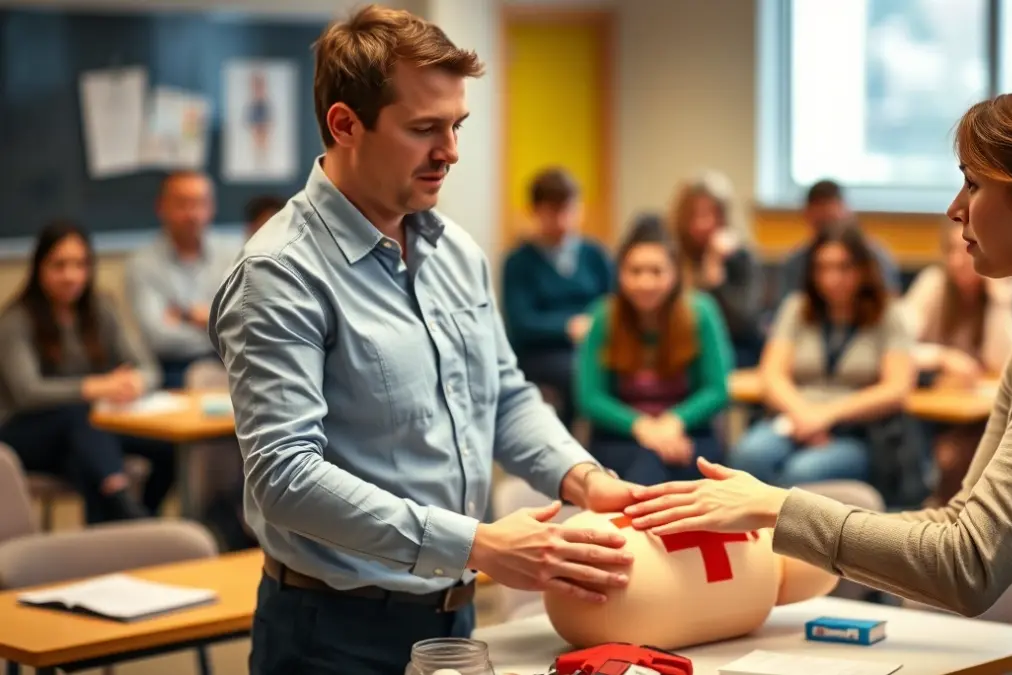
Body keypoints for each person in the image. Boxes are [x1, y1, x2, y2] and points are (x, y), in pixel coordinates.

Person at [623, 82, 1012, 674]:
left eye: (973, 185)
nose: (955, 209)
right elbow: (958, 522)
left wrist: (776, 508)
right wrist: (774, 530)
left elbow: (967, 567)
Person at [207, 7, 639, 673]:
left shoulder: (454, 249)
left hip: (453, 616)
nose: (451, 151)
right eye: (423, 129)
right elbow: (285, 478)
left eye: (457, 126)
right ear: (345, 124)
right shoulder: (280, 272)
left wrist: (584, 478)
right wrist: (477, 543)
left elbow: (504, 396)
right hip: (331, 635)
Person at [0, 221, 176, 523]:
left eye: (80, 264)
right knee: (81, 418)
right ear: (39, 268)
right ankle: (130, 514)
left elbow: (148, 367)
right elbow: (27, 392)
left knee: (166, 446)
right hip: (24, 431)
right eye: (59, 265)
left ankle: (137, 515)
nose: (71, 276)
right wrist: (94, 387)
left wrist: (134, 383)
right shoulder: (16, 319)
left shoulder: (100, 308)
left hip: (88, 432)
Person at [728, 225, 915, 487]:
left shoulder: (888, 313)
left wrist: (827, 415)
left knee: (802, 474)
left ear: (862, 269)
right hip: (793, 419)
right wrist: (805, 415)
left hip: (855, 432)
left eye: (843, 267)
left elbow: (897, 388)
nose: (831, 278)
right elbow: (771, 375)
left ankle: (783, 527)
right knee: (748, 455)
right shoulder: (797, 308)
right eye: (822, 268)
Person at [575, 213, 733, 486]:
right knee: (648, 462)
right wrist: (642, 427)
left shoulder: (701, 312)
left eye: (656, 272)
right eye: (635, 272)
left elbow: (717, 390)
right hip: (620, 438)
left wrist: (672, 422)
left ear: (674, 273)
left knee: (659, 464)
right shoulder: (604, 316)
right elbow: (589, 397)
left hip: (688, 435)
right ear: (620, 273)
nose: (645, 283)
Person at [902, 219, 1012, 504]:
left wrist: (998, 297)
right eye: (950, 251)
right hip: (929, 413)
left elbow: (1008, 361)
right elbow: (896, 346)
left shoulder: (999, 293)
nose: (957, 261)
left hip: (978, 413)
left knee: (974, 451)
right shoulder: (933, 284)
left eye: (966, 250)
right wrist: (944, 357)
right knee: (949, 457)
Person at [501, 167, 613, 427]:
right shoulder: (518, 262)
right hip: (542, 354)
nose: (563, 221)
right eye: (553, 212)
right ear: (535, 211)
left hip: (594, 346)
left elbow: (613, 302)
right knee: (578, 373)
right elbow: (521, 322)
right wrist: (568, 327)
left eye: (569, 210)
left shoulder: (595, 255)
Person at [126, 171, 235, 388]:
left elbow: (248, 322)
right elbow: (159, 336)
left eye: (200, 203)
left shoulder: (233, 255)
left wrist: (188, 317)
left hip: (229, 361)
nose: (192, 214)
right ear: (161, 207)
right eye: (182, 204)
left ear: (211, 207)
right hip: (173, 367)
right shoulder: (142, 264)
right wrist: (218, 323)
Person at [670, 170, 764, 368]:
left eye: (709, 214)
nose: (701, 224)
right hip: (680, 349)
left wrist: (715, 272)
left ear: (724, 216)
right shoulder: (671, 256)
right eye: (693, 215)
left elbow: (743, 324)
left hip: (733, 351)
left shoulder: (741, 258)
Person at [779, 180, 902, 293]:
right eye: (821, 223)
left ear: (847, 212)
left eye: (844, 267)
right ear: (807, 215)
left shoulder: (874, 257)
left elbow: (889, 301)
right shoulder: (797, 262)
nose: (831, 281)